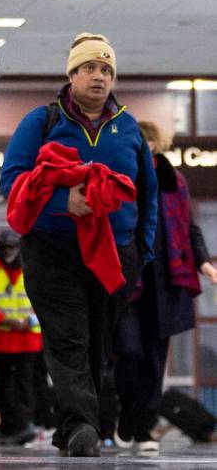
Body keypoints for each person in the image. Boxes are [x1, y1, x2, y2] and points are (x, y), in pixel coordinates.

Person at [0, 32, 157, 457]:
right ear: (72, 74)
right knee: (68, 338)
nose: (99, 76)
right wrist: (60, 200)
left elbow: (149, 195)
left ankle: (70, 426)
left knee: (97, 342)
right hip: (52, 249)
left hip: (115, 253)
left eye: (106, 70)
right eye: (89, 68)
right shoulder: (42, 121)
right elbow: (11, 180)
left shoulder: (129, 129)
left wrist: (142, 252)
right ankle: (84, 425)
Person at [113, 121, 217, 452]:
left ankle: (143, 428)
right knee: (128, 351)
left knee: (155, 362)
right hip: (129, 278)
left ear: (159, 144)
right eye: (139, 140)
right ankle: (127, 413)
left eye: (150, 140)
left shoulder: (175, 180)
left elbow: (188, 226)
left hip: (166, 280)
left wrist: (203, 262)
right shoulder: (120, 175)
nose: (146, 144)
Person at [0, 230, 43, 446]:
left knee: (25, 385)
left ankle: (24, 425)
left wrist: (31, 321)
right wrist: (8, 320)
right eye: (6, 247)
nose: (9, 251)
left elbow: (43, 298)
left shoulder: (32, 265)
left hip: (27, 338)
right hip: (1, 339)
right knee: (4, 386)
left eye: (13, 247)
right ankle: (10, 427)